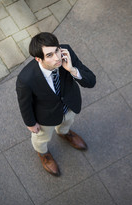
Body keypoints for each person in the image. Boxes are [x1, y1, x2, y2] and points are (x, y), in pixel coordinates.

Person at [16, 32, 96, 177]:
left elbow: (91, 81)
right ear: (38, 59)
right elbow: (24, 103)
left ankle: (64, 133)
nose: (57, 57)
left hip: (69, 105)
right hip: (45, 117)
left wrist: (71, 69)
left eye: (57, 50)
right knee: (41, 138)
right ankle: (43, 153)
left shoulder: (66, 53)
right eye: (49, 55)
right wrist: (31, 123)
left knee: (68, 122)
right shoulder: (25, 79)